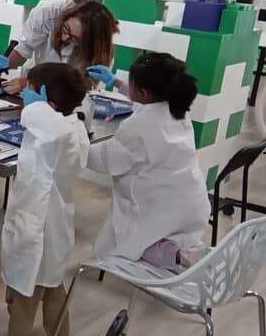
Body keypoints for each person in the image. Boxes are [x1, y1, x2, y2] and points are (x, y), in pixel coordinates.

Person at [0, 63, 90, 336]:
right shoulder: (73, 124)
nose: (24, 94)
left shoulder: (54, 128)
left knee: (25, 292)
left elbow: (40, 120)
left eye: (30, 89)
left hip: (39, 225)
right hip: (53, 222)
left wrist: (36, 105)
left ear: (46, 100)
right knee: (52, 287)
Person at [85, 54, 209, 267]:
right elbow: (145, 104)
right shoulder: (176, 108)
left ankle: (180, 257)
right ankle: (187, 252)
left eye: (130, 84)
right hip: (191, 200)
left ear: (143, 92)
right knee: (163, 236)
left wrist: (74, 141)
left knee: (135, 242)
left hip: (158, 205)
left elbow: (106, 160)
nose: (128, 87)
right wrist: (115, 82)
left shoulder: (140, 126)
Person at [2, 0, 118, 94]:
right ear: (67, 16)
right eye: (65, 29)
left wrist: (30, 82)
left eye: (74, 39)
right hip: (38, 73)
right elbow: (25, 46)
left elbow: (78, 87)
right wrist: (2, 67)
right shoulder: (49, 8)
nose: (65, 37)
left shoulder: (99, 52)